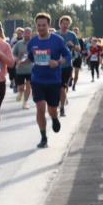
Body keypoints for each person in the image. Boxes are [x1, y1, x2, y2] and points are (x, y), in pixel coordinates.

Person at [27, 13, 70, 149]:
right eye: (38, 25)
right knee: (40, 107)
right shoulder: (33, 42)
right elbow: (31, 58)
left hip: (53, 81)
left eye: (43, 25)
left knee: (52, 109)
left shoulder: (57, 40)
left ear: (49, 25)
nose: (41, 28)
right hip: (37, 80)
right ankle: (43, 137)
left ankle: (54, 117)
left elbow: (67, 55)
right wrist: (21, 62)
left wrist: (58, 62)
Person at [54, 16, 79, 116]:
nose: (65, 25)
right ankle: (58, 102)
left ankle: (62, 108)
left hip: (67, 65)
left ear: (69, 25)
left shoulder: (72, 35)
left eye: (67, 23)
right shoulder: (55, 35)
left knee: (62, 87)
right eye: (63, 23)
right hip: (55, 66)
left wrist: (72, 45)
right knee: (56, 87)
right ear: (60, 24)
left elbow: (79, 49)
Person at [12, 27, 34, 108]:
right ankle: (20, 93)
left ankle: (25, 102)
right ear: (23, 33)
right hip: (20, 69)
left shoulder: (33, 43)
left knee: (28, 86)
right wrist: (16, 59)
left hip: (30, 69)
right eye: (26, 32)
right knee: (21, 88)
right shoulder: (19, 43)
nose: (27, 34)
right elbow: (13, 54)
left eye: (29, 33)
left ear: (31, 34)